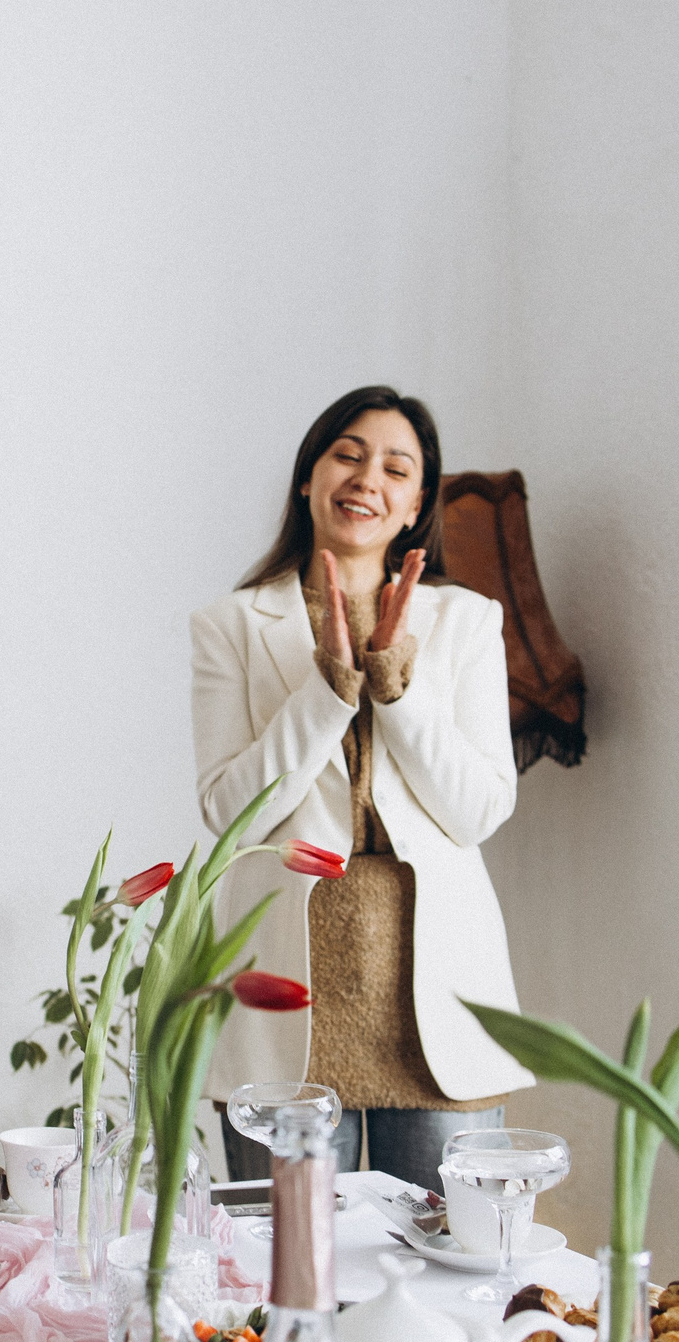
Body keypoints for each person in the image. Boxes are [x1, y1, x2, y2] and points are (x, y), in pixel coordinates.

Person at [191, 386, 534, 1191]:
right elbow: (228, 809)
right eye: (347, 453)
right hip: (288, 990)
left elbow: (478, 808)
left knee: (451, 1264)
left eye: (395, 465)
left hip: (439, 992)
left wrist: (393, 682)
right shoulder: (231, 625)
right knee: (293, 1270)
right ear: (308, 478)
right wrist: (329, 688)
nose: (366, 477)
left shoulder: (466, 621)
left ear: (418, 503)